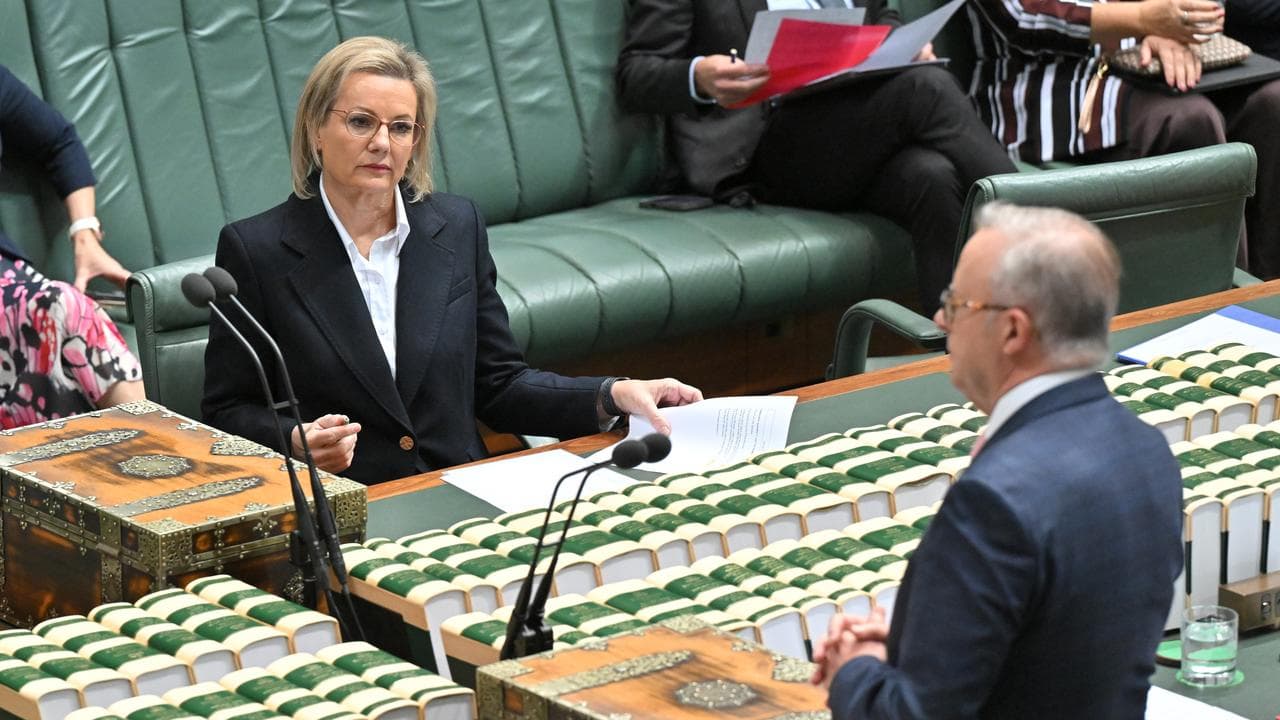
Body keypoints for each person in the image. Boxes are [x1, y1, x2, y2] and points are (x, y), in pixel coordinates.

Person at [201, 37, 702, 487]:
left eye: (401, 127)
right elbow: (226, 410)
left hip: (462, 485)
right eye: (360, 122)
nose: (381, 142)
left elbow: (499, 385)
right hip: (351, 503)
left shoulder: (455, 226)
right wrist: (293, 439)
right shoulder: (257, 249)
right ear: (315, 128)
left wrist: (613, 394)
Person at [811, 203, 1182, 717]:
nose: (941, 320)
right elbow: (1055, 648)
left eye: (958, 304)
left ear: (1012, 331)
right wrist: (919, 639)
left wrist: (854, 666)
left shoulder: (993, 502)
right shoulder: (1146, 450)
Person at [616, 0, 1016, 314]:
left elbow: (881, 15)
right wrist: (699, 76)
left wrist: (904, 43)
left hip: (852, 128)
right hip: (762, 145)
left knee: (929, 174)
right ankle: (1046, 237)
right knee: (925, 89)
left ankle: (955, 353)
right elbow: (636, 74)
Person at [966, 0, 1280, 276]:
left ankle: (1269, 290)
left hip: (1150, 60)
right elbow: (1023, 18)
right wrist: (1143, 19)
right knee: (1189, 120)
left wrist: (1169, 28)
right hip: (1047, 86)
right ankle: (1225, 297)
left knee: (1272, 104)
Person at [0, 64, 143, 429]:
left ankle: (160, 460)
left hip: (10, 287)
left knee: (68, 308)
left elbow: (59, 141)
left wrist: (84, 232)